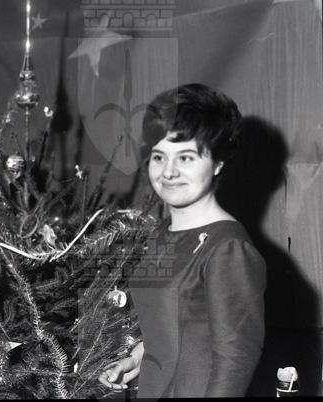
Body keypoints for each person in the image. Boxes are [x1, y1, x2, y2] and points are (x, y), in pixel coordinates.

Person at [98, 83, 266, 398]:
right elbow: (178, 324)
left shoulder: (228, 248)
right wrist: (137, 358)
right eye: (159, 157)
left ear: (218, 163)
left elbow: (236, 359)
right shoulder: (163, 232)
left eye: (186, 158)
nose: (169, 172)